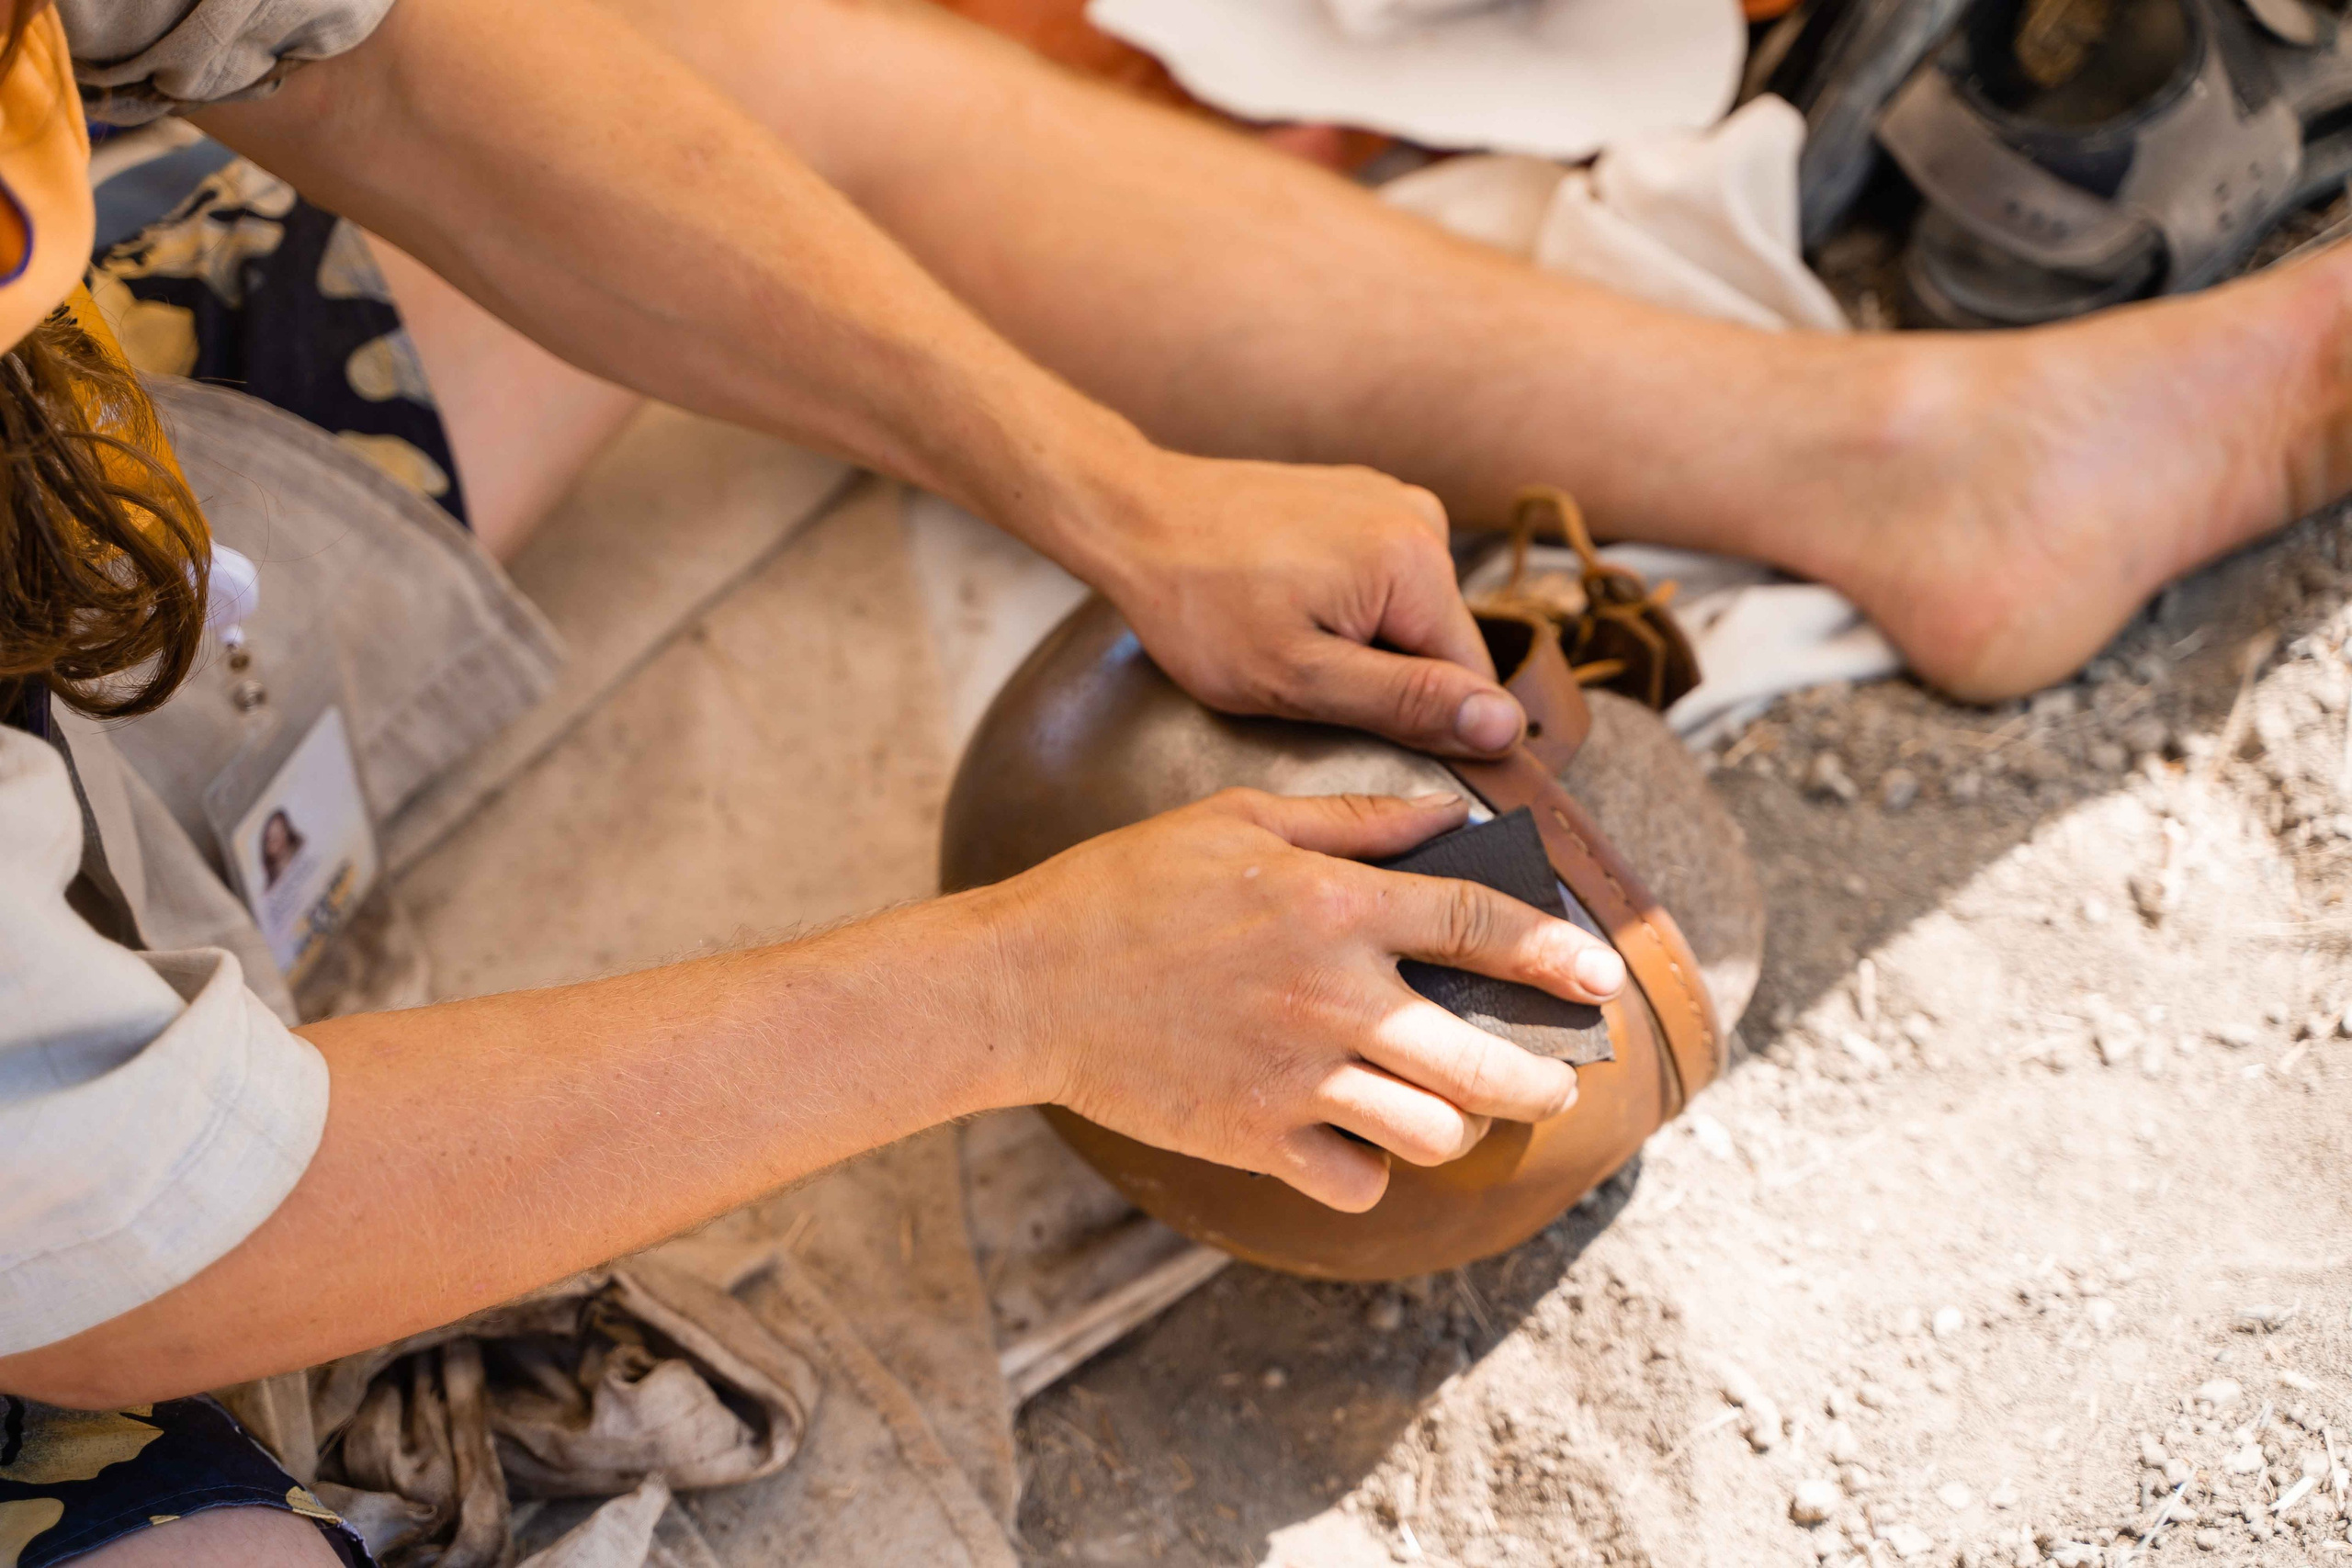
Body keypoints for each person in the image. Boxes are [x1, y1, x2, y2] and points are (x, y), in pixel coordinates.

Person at [1, 0, 2348, 1562]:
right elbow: (117, 1240)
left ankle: (1913, 469)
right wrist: (1012, 994)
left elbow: (381, 73)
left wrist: (1101, 478)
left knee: (678, 51)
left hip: (70, 688)